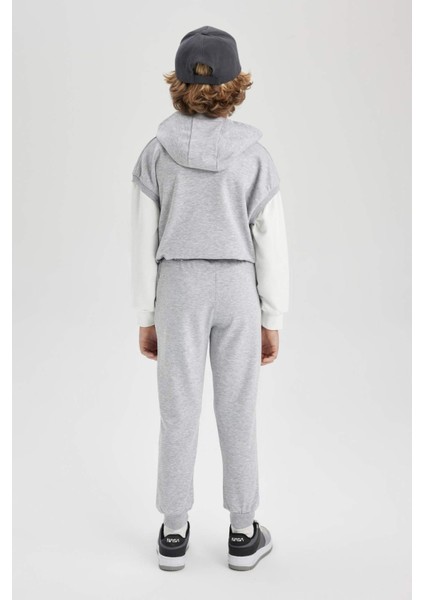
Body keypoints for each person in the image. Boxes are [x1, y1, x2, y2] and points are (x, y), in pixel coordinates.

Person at [131, 25, 289, 571]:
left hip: (178, 288)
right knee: (238, 409)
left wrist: (147, 314)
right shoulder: (255, 157)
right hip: (238, 290)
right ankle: (243, 533)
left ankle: (174, 533)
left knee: (177, 410)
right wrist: (272, 316)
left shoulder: (156, 154)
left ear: (177, 83)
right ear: (236, 85)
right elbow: (271, 243)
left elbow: (142, 240)